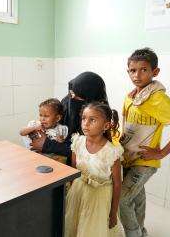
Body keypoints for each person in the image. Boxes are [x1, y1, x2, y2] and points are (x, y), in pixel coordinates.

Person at [119, 48, 170, 237]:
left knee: (122, 200)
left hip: (145, 161)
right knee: (137, 200)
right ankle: (142, 232)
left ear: (155, 72)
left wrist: (160, 153)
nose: (137, 75)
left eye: (143, 70)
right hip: (128, 158)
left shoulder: (157, 98)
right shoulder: (131, 97)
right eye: (132, 70)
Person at [65, 102, 124, 237]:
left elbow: (117, 184)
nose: (85, 123)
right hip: (78, 191)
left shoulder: (112, 152)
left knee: (92, 230)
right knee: (74, 224)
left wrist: (113, 213)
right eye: (84, 118)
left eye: (92, 120)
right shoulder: (77, 142)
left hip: (99, 198)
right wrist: (71, 193)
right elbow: (74, 171)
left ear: (106, 125)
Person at [30, 72, 108, 164]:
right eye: (71, 94)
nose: (72, 99)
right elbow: (56, 127)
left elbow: (88, 151)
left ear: (91, 99)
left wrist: (47, 145)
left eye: (78, 96)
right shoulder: (67, 101)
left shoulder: (99, 116)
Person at [20, 98, 68, 163]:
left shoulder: (61, 129)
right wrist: (33, 128)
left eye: (46, 116)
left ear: (57, 118)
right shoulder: (35, 124)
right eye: (40, 115)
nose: (42, 119)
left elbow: (62, 147)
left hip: (51, 159)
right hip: (33, 156)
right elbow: (21, 132)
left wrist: (60, 141)